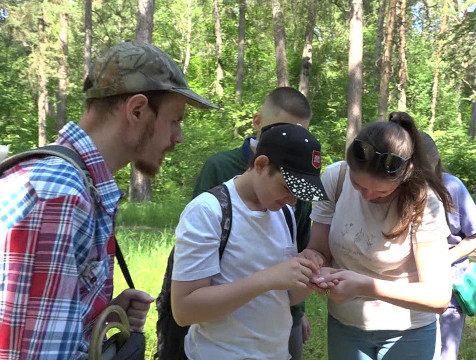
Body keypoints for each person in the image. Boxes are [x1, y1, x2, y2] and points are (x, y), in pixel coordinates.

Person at [0, 41, 218, 359]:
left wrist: (101, 309)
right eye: (175, 120)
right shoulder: (61, 199)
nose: (178, 137)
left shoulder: (78, 186)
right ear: (137, 110)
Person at [303, 112, 454, 360]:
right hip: (345, 324)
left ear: (405, 176)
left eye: (382, 192)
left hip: (409, 331)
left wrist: (365, 286)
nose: (367, 196)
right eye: (358, 185)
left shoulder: (423, 201)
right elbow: (319, 248)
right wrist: (314, 262)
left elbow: (438, 296)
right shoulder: (336, 178)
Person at [171, 123, 327, 360]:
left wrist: (306, 278)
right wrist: (267, 278)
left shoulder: (283, 213)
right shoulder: (208, 211)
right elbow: (184, 310)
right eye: (287, 188)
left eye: (299, 193)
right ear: (261, 164)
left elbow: (282, 298)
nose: (293, 201)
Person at [192, 87, 313, 359]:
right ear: (257, 122)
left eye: (299, 134)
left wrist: (299, 304)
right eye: (279, 129)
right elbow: (190, 289)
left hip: (277, 330)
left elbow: (298, 251)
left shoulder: (294, 191)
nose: (289, 140)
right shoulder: (218, 171)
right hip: (220, 338)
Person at [420, 132, 476, 360]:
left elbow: (473, 236)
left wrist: (444, 258)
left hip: (449, 291)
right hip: (409, 290)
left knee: (444, 354)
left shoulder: (452, 186)